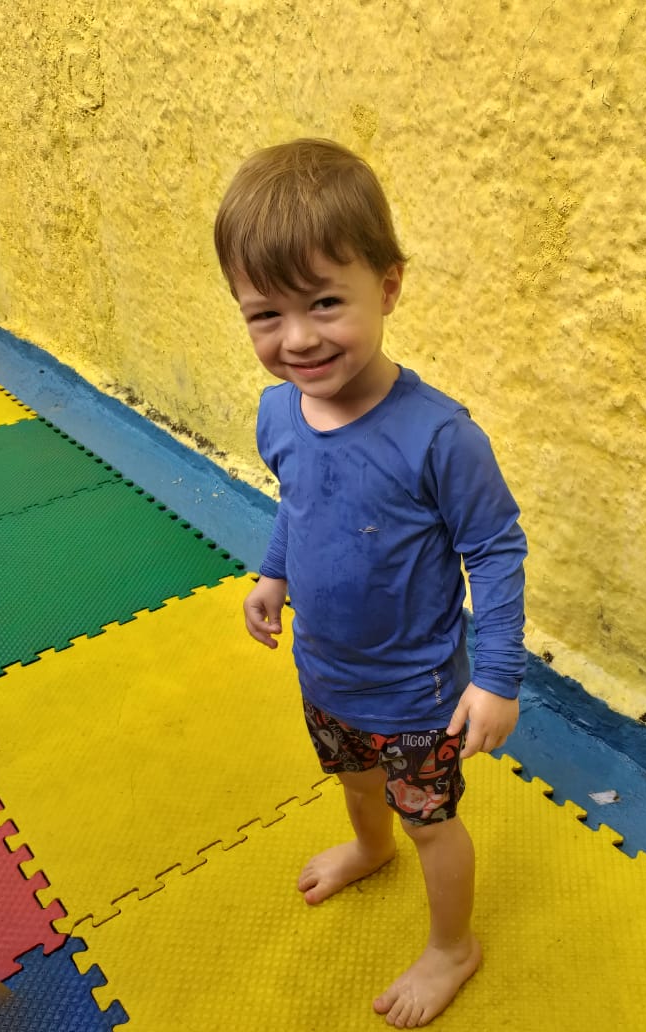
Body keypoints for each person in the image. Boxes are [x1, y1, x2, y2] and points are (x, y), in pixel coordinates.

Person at [214, 138, 527, 1029]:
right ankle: (367, 845)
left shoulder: (440, 437)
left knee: (431, 823)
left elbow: (497, 550)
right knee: (355, 784)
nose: (297, 338)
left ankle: (452, 946)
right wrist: (274, 572)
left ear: (387, 287)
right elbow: (299, 500)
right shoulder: (279, 410)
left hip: (418, 694)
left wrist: (499, 677)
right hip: (326, 673)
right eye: (265, 314)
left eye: (324, 302)